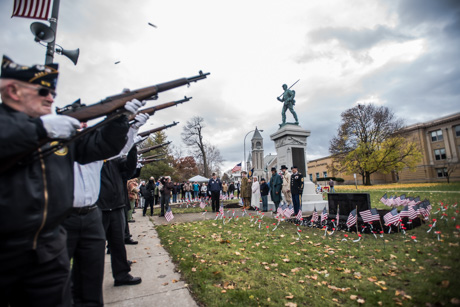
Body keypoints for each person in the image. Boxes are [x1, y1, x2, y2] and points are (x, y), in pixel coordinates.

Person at [0, 55, 138, 306]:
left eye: (52, 92)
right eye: (43, 91)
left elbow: (101, 146)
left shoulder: (57, 135)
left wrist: (119, 119)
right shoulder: (36, 129)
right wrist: (38, 130)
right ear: (12, 90)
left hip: (49, 244)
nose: (51, 98)